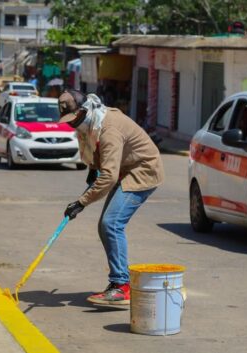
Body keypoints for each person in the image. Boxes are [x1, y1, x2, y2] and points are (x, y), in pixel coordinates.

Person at [58, 90, 164, 305]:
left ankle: (121, 286)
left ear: (85, 110)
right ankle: (119, 282)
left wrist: (81, 202)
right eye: (68, 120)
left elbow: (108, 176)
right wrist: (92, 167)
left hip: (142, 171)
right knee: (105, 225)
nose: (72, 124)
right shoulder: (92, 123)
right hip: (125, 170)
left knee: (111, 224)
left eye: (75, 118)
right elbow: (98, 156)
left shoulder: (109, 129)